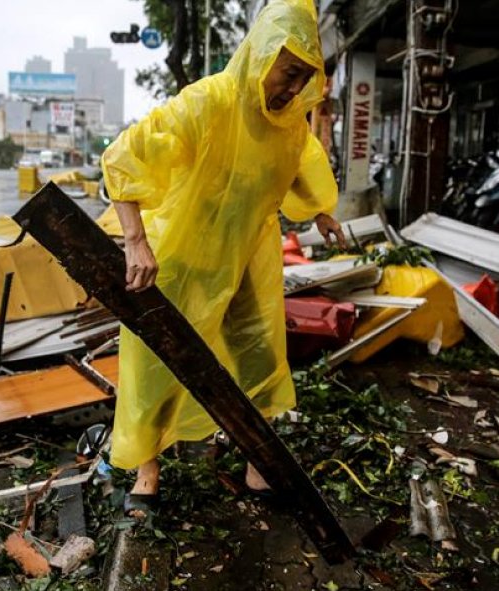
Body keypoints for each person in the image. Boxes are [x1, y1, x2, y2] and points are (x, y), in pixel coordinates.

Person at [100, 0, 346, 518]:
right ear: (261, 56)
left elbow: (302, 167)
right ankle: (147, 471)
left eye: (305, 76)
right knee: (159, 363)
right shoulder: (208, 102)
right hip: (184, 256)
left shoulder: (291, 124)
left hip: (248, 256)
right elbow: (124, 157)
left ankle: (258, 462)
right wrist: (135, 241)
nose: (294, 86)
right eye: (289, 72)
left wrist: (322, 214)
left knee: (258, 356)